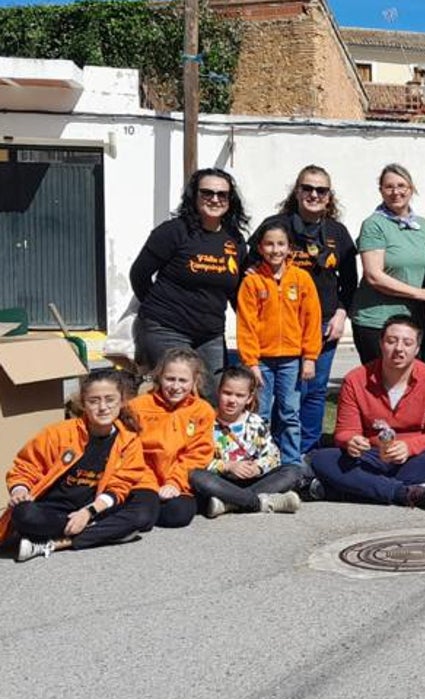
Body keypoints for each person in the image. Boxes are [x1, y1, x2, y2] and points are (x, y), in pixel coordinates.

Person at [249, 165, 357, 455]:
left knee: (314, 391)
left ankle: (305, 454)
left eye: (321, 190)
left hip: (322, 325)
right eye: (307, 188)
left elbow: (350, 281)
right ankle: (269, 452)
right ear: (296, 191)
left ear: (329, 196)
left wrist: (341, 313)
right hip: (278, 328)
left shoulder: (337, 232)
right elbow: (248, 272)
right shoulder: (275, 225)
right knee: (274, 397)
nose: (313, 194)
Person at [2, 369, 158, 562]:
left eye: (110, 400)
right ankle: (102, 533)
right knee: (23, 514)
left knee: (142, 516)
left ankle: (54, 543)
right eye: (94, 401)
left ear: (122, 401)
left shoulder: (129, 441)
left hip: (92, 510)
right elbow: (25, 467)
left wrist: (88, 512)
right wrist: (19, 490)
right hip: (53, 511)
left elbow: (119, 487)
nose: (103, 407)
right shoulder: (58, 433)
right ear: (83, 403)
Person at [308, 315, 425, 509]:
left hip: (412, 457)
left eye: (407, 343)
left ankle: (349, 490)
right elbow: (344, 431)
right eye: (391, 341)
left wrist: (408, 447)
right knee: (322, 459)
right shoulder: (355, 379)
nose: (399, 349)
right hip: (370, 455)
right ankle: (404, 493)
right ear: (381, 344)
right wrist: (351, 440)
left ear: (417, 349)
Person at [130, 167, 248, 392]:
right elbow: (139, 274)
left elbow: (236, 291)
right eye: (207, 193)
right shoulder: (174, 231)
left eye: (222, 194)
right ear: (194, 196)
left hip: (210, 333)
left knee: (214, 394)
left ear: (230, 200)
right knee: (177, 392)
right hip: (166, 328)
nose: (215, 199)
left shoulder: (234, 239)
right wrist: (159, 309)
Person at [237, 218, 323, 471]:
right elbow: (246, 325)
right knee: (259, 414)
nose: (275, 250)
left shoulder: (302, 279)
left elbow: (311, 320)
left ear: (290, 248)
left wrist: (309, 357)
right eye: (269, 244)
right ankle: (259, 463)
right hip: (261, 361)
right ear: (261, 248)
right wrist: (251, 362)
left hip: (291, 360)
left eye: (281, 244)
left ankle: (291, 464)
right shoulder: (252, 282)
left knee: (289, 413)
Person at [351, 164, 425, 365]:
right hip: (377, 322)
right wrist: (420, 293)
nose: (396, 192)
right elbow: (374, 276)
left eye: (402, 186)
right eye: (389, 187)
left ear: (411, 189)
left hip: (412, 322)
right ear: (381, 191)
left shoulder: (423, 226)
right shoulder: (374, 224)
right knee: (378, 386)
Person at [189, 366, 303, 518]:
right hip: (221, 482)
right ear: (219, 392)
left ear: (249, 398)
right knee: (196, 476)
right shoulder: (206, 420)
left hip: (253, 481)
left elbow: (273, 456)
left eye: (239, 395)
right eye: (227, 393)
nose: (232, 400)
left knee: (293, 471)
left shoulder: (256, 422)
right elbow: (197, 459)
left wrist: (258, 467)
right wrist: (228, 466)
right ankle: (258, 502)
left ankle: (229, 504)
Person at [129, 347, 217, 529]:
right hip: (143, 479)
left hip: (179, 481)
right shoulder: (138, 406)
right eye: (170, 379)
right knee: (142, 516)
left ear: (194, 381)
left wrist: (174, 483)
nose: (176, 387)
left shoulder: (202, 410)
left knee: (178, 516)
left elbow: (198, 454)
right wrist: (151, 485)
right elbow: (131, 451)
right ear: (159, 377)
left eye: (183, 380)